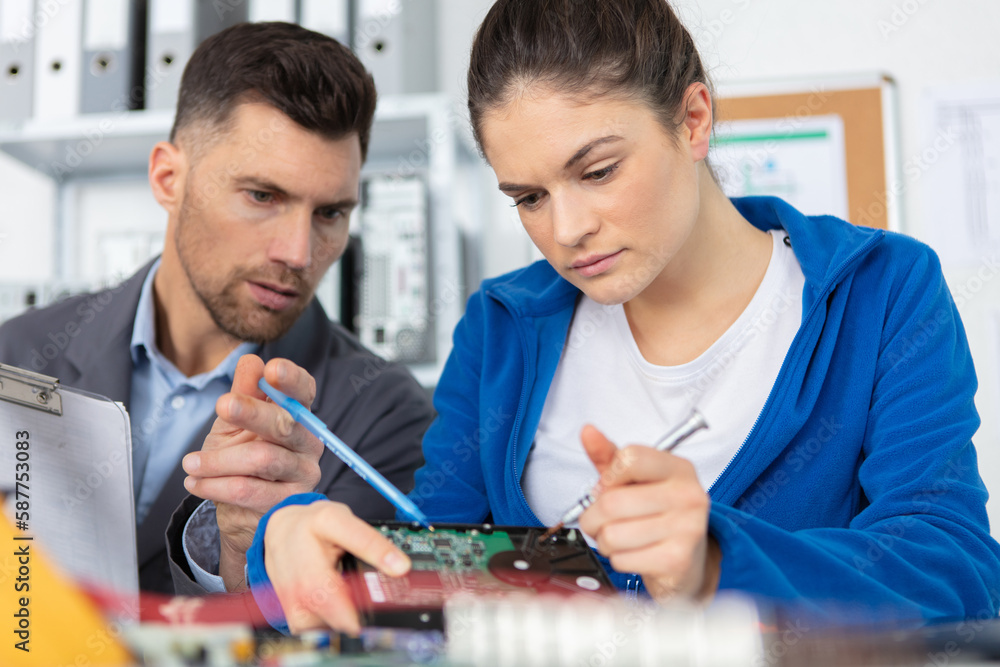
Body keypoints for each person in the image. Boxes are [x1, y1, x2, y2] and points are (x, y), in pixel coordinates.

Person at [232, 0, 998, 634]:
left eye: (597, 171)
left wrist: (713, 559)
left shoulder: (882, 291)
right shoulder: (503, 326)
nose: (565, 231)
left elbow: (953, 569)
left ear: (694, 119)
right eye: (528, 197)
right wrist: (293, 533)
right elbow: (430, 569)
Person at [0, 22, 434, 594]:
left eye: (330, 213)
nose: (299, 253)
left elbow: (339, 640)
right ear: (168, 178)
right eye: (262, 196)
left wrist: (240, 555)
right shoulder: (21, 352)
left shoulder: (383, 415)